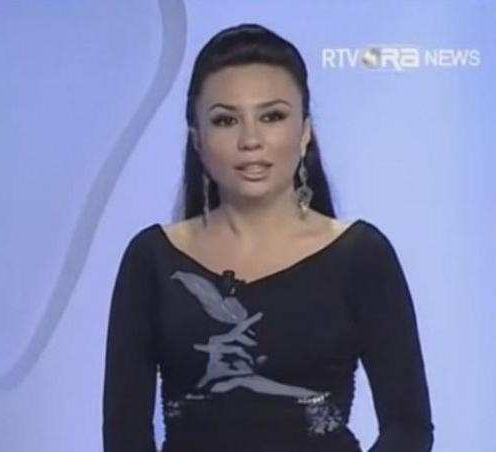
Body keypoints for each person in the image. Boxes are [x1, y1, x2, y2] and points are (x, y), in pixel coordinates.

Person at [102, 23, 434, 452]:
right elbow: (125, 434)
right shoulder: (152, 259)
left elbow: (408, 428)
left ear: (305, 131)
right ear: (197, 139)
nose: (251, 140)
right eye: (226, 120)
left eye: (272, 116)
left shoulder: (361, 255)